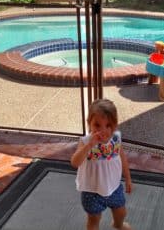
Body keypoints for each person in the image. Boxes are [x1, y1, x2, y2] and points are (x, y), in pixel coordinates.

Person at [71, 98, 133, 230]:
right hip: (92, 191)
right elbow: (75, 162)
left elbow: (122, 158)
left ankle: (118, 225)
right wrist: (89, 145)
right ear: (89, 124)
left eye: (108, 125)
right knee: (94, 220)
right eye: (97, 125)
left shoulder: (116, 138)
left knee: (121, 212)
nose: (103, 130)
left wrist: (128, 178)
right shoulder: (86, 141)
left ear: (115, 125)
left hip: (114, 187)